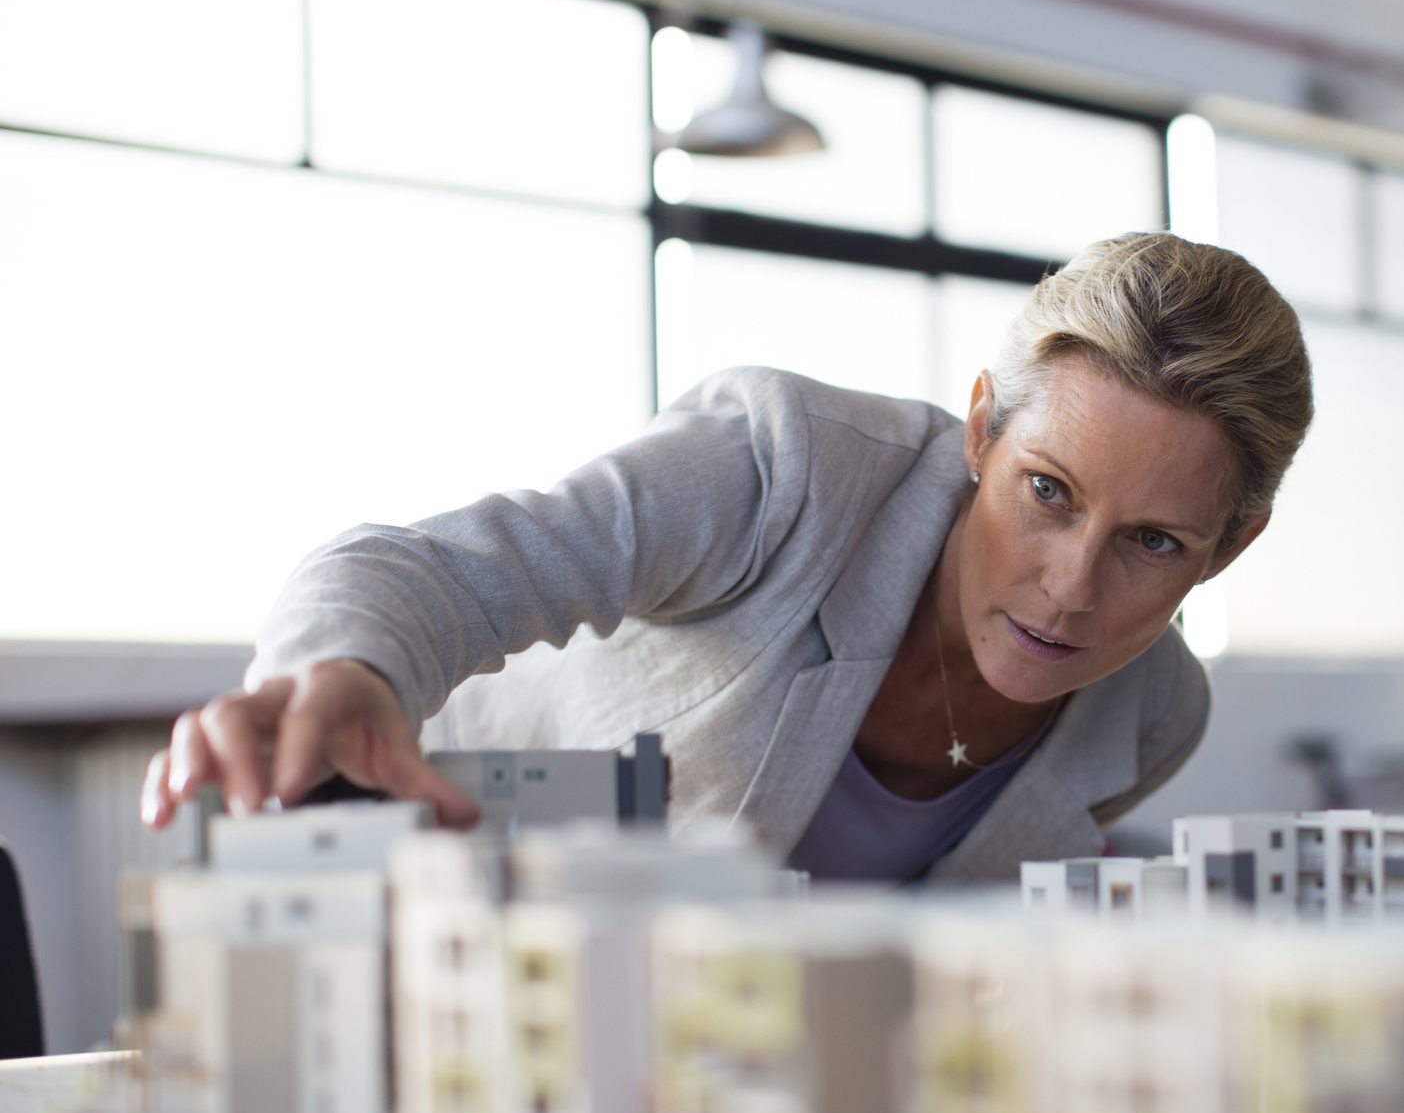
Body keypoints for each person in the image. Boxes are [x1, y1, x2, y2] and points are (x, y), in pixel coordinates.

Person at [139, 233, 1312, 885]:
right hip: (445, 905)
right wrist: (348, 672)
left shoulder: (1152, 717)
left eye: (1153, 542)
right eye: (1046, 493)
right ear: (980, 433)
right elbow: (435, 570)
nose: (1071, 585)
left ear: (1230, 547)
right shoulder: (787, 468)